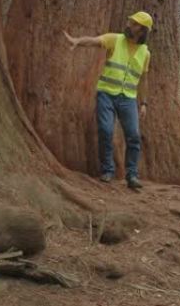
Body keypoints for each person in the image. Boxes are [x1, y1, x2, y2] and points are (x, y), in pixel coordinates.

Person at [63, 11, 153, 189]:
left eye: (134, 24)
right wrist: (78, 41)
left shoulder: (145, 53)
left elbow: (144, 80)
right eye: (130, 22)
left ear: (142, 30)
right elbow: (95, 41)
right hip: (106, 95)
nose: (129, 25)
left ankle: (132, 175)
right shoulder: (115, 39)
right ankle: (107, 170)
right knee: (105, 130)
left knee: (134, 136)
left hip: (128, 99)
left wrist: (144, 103)